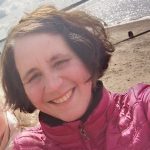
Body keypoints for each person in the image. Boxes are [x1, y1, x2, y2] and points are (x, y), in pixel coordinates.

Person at [1, 5, 150, 150]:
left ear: (85, 55)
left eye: (60, 62)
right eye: (33, 76)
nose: (53, 86)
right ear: (22, 90)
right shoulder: (25, 146)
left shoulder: (142, 108)